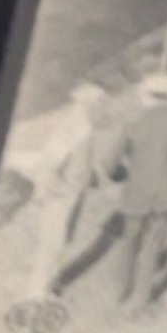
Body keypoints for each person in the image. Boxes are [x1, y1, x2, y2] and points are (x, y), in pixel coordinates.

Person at [112, 74, 167, 316]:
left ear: (146, 96)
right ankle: (140, 300)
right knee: (152, 246)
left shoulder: (133, 123)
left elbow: (114, 159)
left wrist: (122, 171)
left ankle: (121, 291)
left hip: (136, 191)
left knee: (129, 240)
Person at [25, 82, 107, 298]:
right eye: (98, 103)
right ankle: (37, 292)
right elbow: (50, 162)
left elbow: (79, 160)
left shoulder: (85, 125)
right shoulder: (74, 127)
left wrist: (91, 175)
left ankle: (50, 283)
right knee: (52, 243)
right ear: (87, 103)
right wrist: (53, 189)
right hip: (62, 196)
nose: (100, 107)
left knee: (61, 242)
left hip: (74, 193)